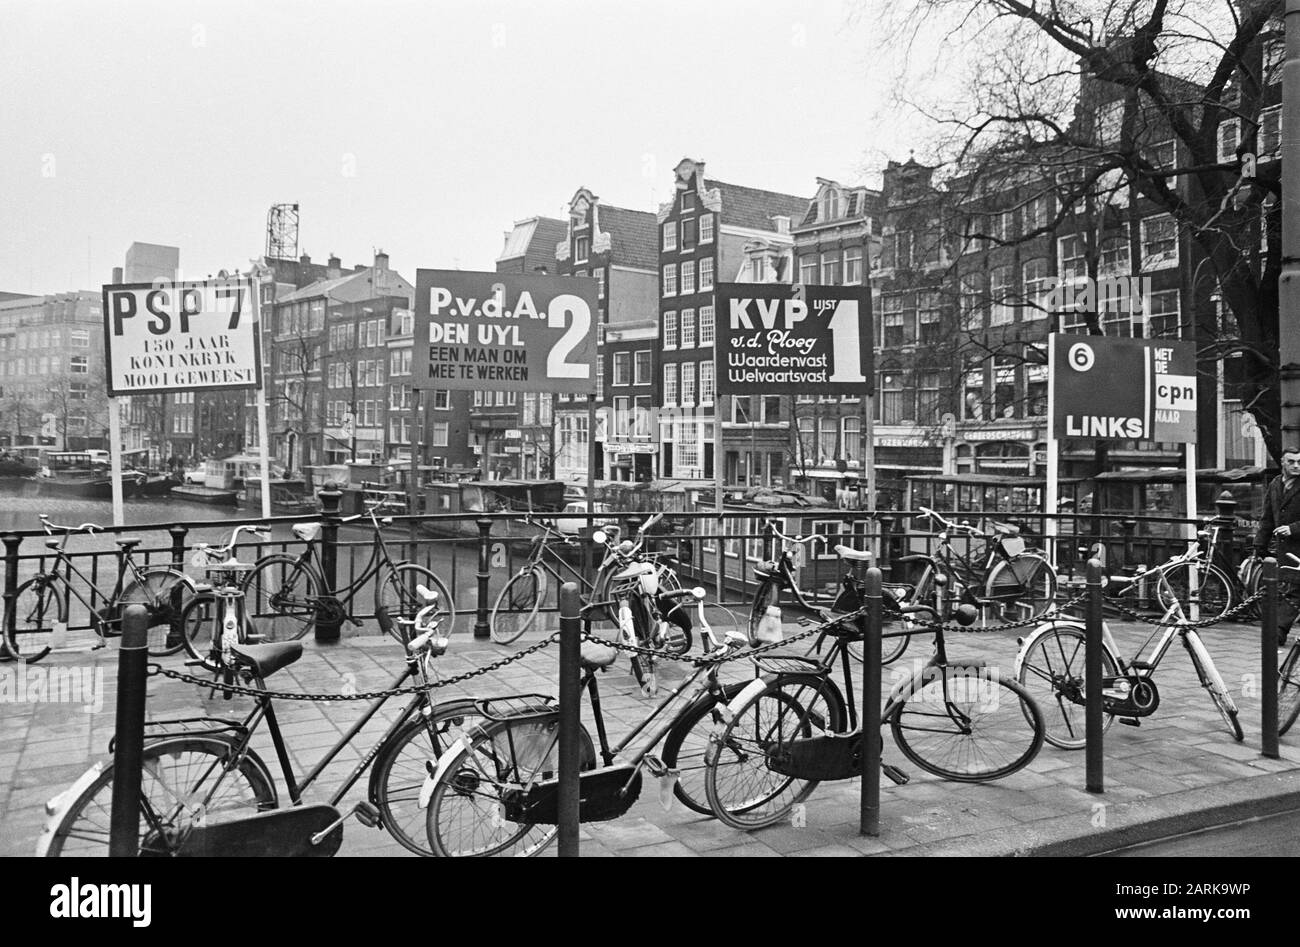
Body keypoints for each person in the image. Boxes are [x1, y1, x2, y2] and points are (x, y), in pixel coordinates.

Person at [1254, 446, 1300, 646]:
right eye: (1291, 462)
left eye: (1299, 462)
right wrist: (1259, 546)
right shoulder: (1274, 484)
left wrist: (1293, 528)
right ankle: (1278, 631)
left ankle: (1278, 631)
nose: (1297, 466)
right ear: (1282, 462)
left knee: (1295, 591)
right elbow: (1267, 519)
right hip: (1286, 550)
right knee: (1290, 589)